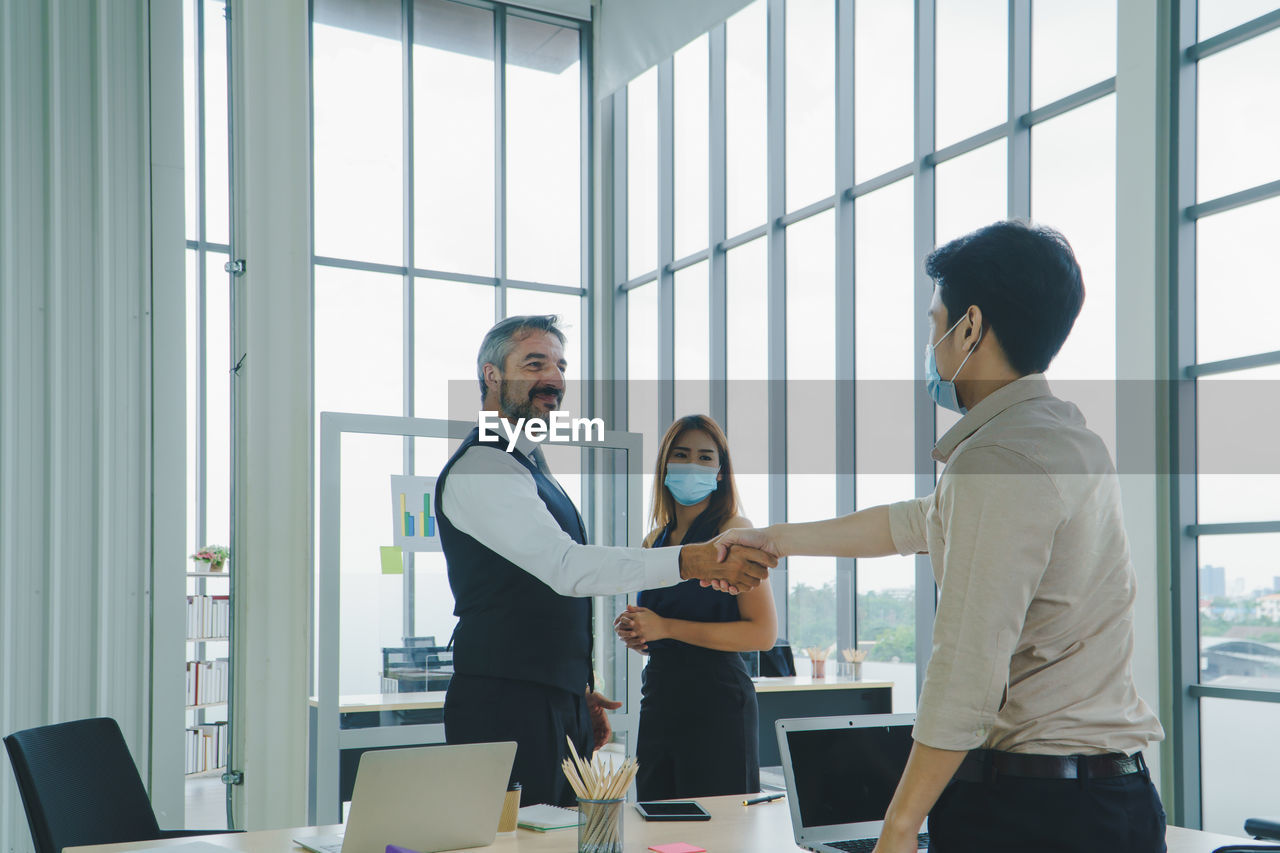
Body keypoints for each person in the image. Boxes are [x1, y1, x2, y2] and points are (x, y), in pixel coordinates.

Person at [714, 222, 1166, 853]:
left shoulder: (999, 461)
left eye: (936, 322)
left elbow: (966, 669)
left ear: (971, 327)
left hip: (1036, 811)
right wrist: (775, 539)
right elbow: (915, 522)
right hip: (1102, 798)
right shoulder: (1061, 439)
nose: (931, 342)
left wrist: (898, 828)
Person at [434, 314, 776, 808]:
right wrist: (690, 562)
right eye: (534, 364)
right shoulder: (485, 466)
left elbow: (540, 595)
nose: (553, 379)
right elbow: (567, 568)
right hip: (507, 703)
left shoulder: (525, 464)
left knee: (556, 836)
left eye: (559, 365)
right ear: (491, 375)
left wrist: (575, 690)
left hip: (552, 699)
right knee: (517, 840)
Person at [613, 415, 777, 801]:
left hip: (717, 702)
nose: (692, 465)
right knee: (659, 828)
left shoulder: (737, 531)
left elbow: (762, 633)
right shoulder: (653, 540)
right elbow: (654, 623)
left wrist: (666, 627)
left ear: (720, 472)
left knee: (717, 833)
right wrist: (637, 629)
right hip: (659, 697)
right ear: (664, 466)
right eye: (681, 454)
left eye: (705, 458)